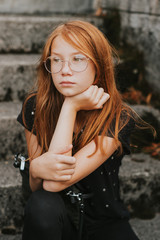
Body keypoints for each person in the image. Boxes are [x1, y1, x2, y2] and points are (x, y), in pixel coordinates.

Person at [17, 20, 140, 240]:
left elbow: (56, 179)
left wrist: (71, 105)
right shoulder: (35, 107)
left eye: (78, 59)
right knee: (41, 204)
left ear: (98, 67)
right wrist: (35, 170)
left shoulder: (118, 116)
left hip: (104, 223)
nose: (65, 70)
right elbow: (40, 186)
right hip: (57, 218)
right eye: (56, 60)